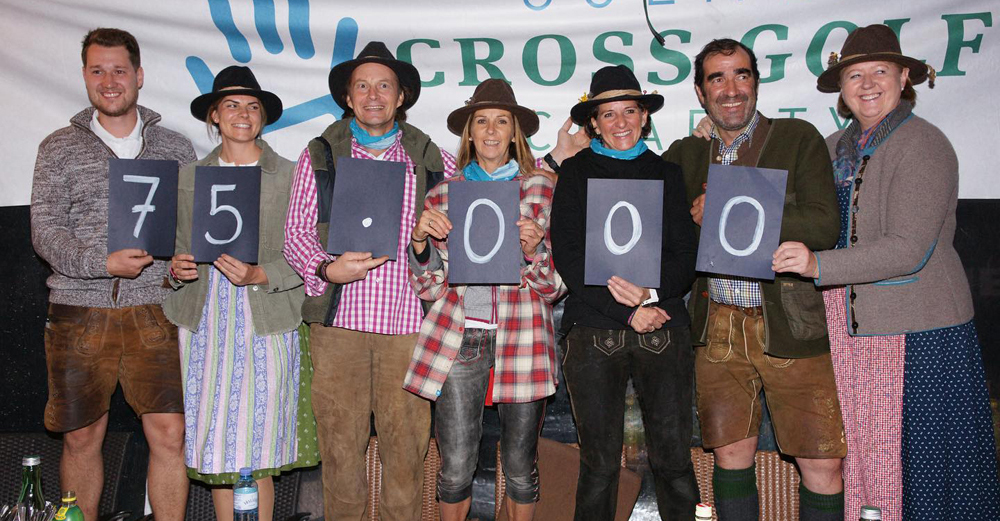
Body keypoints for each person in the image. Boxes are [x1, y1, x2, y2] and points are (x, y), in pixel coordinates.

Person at [772, 24, 1000, 521]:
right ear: (841, 88)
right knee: (862, 454)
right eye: (855, 74)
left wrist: (817, 264)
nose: (868, 83)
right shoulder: (832, 147)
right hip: (850, 329)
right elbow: (779, 201)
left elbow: (908, 249)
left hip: (918, 332)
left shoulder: (924, 145)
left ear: (903, 78)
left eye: (880, 71)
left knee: (920, 464)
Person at [662, 39, 846, 521]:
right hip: (717, 326)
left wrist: (732, 210)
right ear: (700, 93)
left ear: (756, 83)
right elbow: (644, 210)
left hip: (790, 323)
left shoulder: (797, 137)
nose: (731, 89)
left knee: (821, 459)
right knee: (729, 456)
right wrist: (561, 160)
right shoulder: (687, 153)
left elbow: (824, 225)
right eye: (717, 78)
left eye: (741, 75)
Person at [283, 41, 458, 521]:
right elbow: (295, 232)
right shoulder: (320, 154)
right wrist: (326, 269)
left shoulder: (435, 160)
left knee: (407, 454)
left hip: (408, 328)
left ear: (401, 96)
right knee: (340, 451)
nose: (373, 95)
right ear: (348, 97)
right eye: (362, 86)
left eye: (384, 86)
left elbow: (477, 211)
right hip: (339, 328)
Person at [30, 28, 194, 521]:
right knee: (81, 437)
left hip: (156, 310)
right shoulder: (58, 147)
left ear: (139, 76)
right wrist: (101, 265)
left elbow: (189, 228)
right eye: (97, 70)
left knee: (171, 435)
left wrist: (180, 267)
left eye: (119, 70)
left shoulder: (175, 147)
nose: (109, 81)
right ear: (84, 76)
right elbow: (45, 231)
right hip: (79, 310)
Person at [402, 79, 565, 521]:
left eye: (501, 122)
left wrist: (534, 252)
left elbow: (555, 287)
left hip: (524, 335)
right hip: (459, 338)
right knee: (455, 467)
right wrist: (419, 243)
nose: (491, 130)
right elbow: (430, 288)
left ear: (515, 133)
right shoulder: (443, 194)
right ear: (469, 133)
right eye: (481, 122)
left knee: (520, 467)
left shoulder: (542, 189)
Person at [162, 65, 319, 521]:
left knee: (258, 439)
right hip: (206, 319)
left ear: (263, 117)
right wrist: (176, 269)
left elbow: (310, 251)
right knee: (217, 443)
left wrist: (261, 273)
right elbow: (172, 252)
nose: (243, 114)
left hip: (265, 317)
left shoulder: (291, 176)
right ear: (214, 114)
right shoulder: (189, 177)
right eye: (231, 105)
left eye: (252, 106)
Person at [549, 64, 699, 521]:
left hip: (662, 324)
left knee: (673, 460)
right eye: (608, 114)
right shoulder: (574, 173)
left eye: (629, 111)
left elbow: (685, 253)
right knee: (598, 465)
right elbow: (568, 255)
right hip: (595, 329)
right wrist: (627, 312)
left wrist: (649, 297)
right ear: (593, 123)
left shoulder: (668, 173)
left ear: (644, 116)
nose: (620, 122)